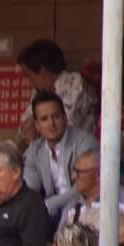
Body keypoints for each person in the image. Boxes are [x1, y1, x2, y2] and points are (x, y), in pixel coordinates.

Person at [23, 92, 98, 224]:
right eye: (44, 119)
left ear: (65, 117)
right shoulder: (34, 150)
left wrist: (48, 205)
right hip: (53, 212)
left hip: (86, 205)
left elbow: (84, 186)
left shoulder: (84, 141)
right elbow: (29, 190)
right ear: (37, 125)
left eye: (56, 116)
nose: (51, 123)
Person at [58, 149, 124, 234]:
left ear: (99, 174)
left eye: (78, 172)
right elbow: (57, 245)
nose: (73, 177)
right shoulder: (72, 205)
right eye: (73, 171)